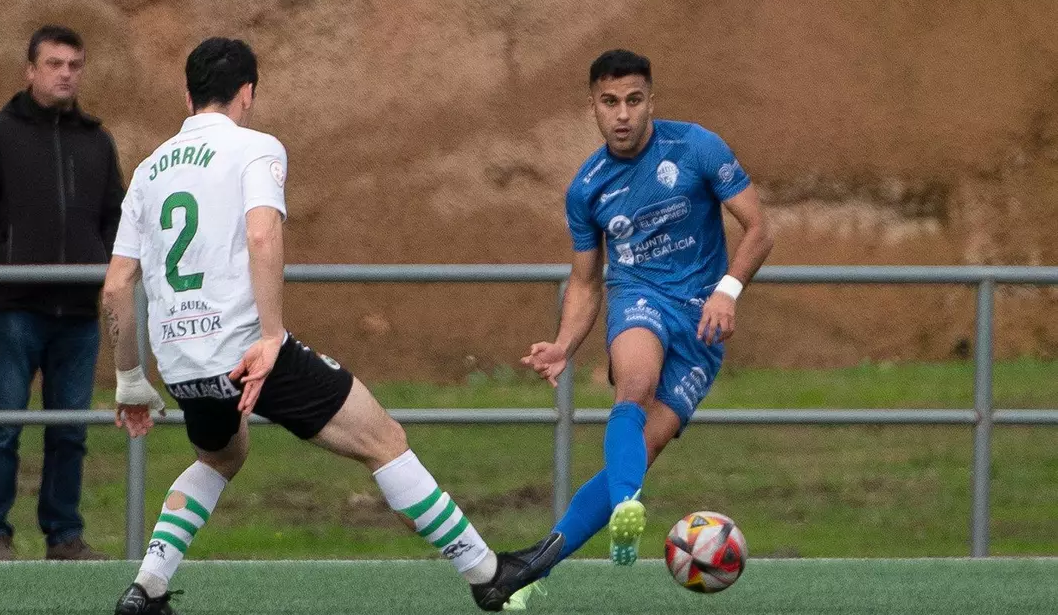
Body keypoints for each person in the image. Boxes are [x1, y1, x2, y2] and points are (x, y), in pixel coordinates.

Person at [102, 37, 563, 615]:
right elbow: (263, 234)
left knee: (220, 457)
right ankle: (487, 574)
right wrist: (272, 336)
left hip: (181, 362)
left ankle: (146, 588)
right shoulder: (255, 147)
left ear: (187, 94)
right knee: (384, 441)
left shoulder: (148, 170)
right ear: (248, 92)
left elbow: (117, 285)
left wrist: (129, 379)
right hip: (245, 352)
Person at [507, 49, 774, 609]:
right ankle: (627, 505)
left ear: (652, 100)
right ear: (593, 107)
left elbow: (758, 228)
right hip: (639, 299)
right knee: (634, 385)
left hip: (702, 327)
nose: (623, 114)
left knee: (639, 450)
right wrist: (564, 344)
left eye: (633, 100)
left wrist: (727, 292)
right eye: (610, 102)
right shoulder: (587, 188)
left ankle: (534, 566)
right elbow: (586, 281)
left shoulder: (696, 147)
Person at [0, 25, 122, 561]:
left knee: (70, 431)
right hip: (16, 312)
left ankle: (64, 535)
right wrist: (11, 265)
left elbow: (116, 215)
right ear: (30, 71)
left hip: (78, 315)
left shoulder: (96, 141)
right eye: (54, 64)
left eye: (74, 65)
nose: (65, 74)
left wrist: (101, 264)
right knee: (4, 424)